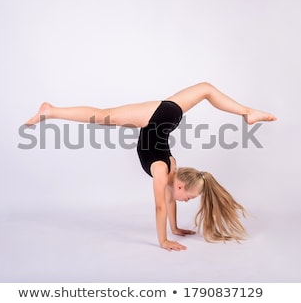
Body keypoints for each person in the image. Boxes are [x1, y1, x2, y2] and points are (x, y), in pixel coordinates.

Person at [25, 82, 277, 251]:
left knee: (205, 89)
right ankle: (51, 111)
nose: (185, 200)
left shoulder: (172, 168)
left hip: (163, 119)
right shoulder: (161, 170)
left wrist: (175, 228)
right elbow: (160, 206)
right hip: (157, 118)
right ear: (180, 184)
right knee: (102, 116)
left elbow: (169, 201)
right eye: (188, 196)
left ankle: (248, 112)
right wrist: (164, 240)